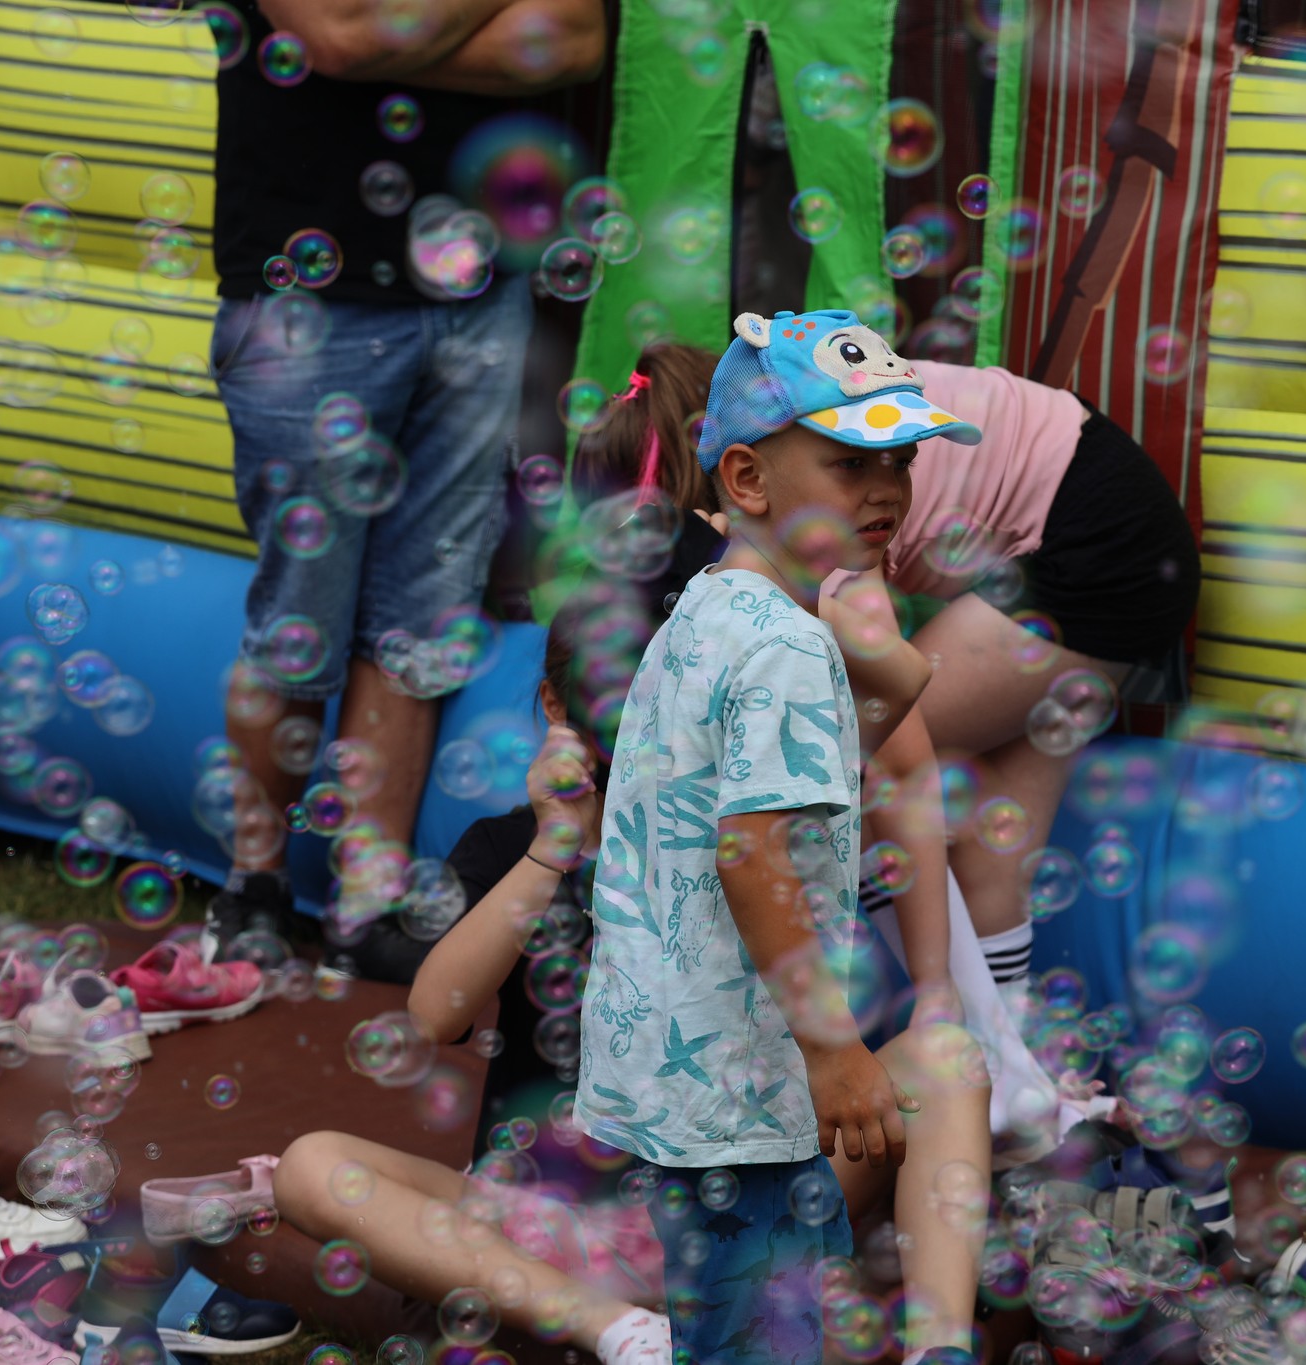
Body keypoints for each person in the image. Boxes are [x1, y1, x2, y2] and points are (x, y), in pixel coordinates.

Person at [275, 575, 992, 1364]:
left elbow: (891, 701)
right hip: (545, 1223)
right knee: (312, 1166)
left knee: (944, 1057)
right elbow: (433, 1013)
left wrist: (791, 592)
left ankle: (940, 1353)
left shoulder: (752, 828)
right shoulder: (509, 846)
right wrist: (552, 846)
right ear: (558, 706)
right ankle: (622, 1331)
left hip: (742, 1192)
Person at [576, 308, 988, 1365]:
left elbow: (829, 766)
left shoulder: (707, 610)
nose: (887, 489)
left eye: (899, 459)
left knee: (743, 1322)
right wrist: (835, 1047)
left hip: (682, 1064)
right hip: (745, 1077)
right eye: (852, 462)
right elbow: (751, 852)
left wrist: (880, 657)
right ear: (749, 479)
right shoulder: (788, 648)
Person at [575, 343, 1201, 992]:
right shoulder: (796, 409)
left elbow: (896, 744)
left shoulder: (808, 515)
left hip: (1102, 545)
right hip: (1126, 523)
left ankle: (946, 1018)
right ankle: (1005, 1045)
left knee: (843, 775)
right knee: (991, 834)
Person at [199, 0, 607, 967]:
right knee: (300, 611)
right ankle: (255, 887)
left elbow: (574, 37)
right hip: (303, 292)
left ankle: (368, 906)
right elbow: (336, 33)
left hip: (480, 286)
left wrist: (394, 34)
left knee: (425, 615)